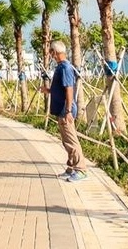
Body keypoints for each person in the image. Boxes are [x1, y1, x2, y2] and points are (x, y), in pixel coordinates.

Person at [40, 39, 88, 182]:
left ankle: (81, 169)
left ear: (55, 52)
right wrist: (48, 90)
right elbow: (60, 89)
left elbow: (69, 89)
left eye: (51, 52)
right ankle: (71, 167)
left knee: (71, 140)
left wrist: (68, 111)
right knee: (66, 141)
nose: (51, 55)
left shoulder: (65, 68)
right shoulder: (60, 67)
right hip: (61, 110)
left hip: (65, 111)